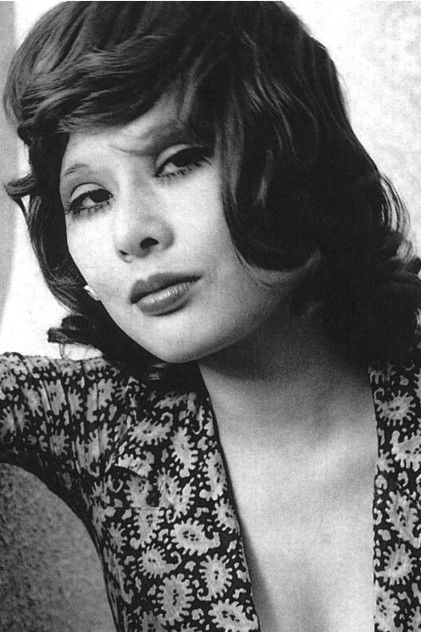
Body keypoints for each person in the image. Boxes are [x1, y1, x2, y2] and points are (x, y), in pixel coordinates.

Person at [1, 1, 421, 630]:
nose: (131, 232)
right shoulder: (102, 428)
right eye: (90, 198)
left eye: (178, 162)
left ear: (295, 155)